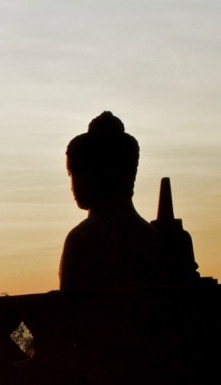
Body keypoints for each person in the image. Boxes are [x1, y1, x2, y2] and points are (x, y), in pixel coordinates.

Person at [59, 111, 164, 291]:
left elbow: (72, 310)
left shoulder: (82, 240)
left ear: (93, 175)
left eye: (73, 174)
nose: (72, 186)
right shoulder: (153, 239)